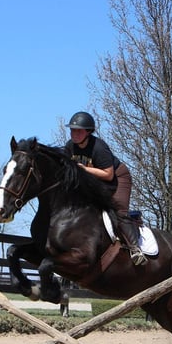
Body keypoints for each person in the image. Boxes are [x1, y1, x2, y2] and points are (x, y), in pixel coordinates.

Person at [64, 111, 146, 265]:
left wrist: (83, 169)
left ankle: (135, 249)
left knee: (118, 211)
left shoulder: (98, 147)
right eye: (72, 130)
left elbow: (108, 174)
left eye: (79, 130)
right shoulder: (70, 147)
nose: (74, 134)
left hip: (118, 178)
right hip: (94, 181)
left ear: (88, 132)